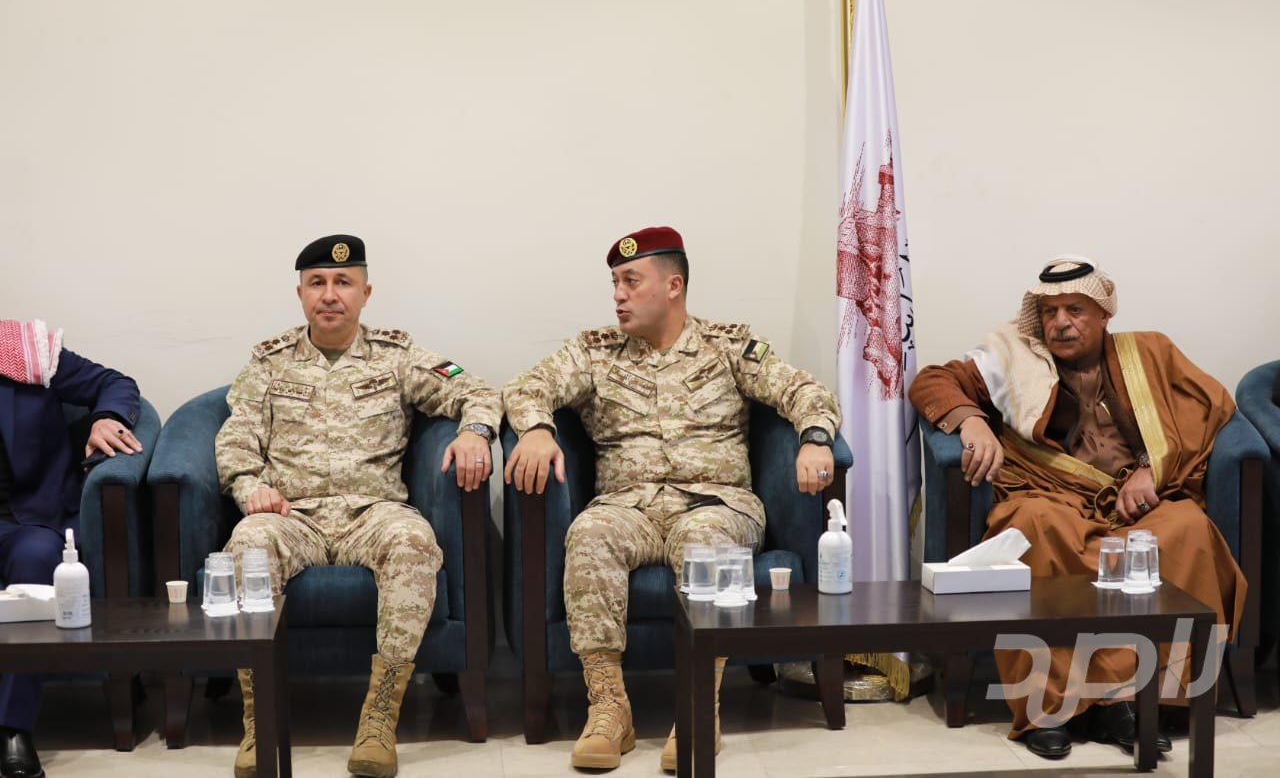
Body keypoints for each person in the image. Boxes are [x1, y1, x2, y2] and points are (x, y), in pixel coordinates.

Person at [502, 226, 840, 772]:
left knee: (703, 539)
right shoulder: (594, 353)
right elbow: (525, 387)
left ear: (673, 286)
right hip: (627, 507)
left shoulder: (728, 347)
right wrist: (538, 429)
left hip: (717, 504)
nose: (618, 295)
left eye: (631, 281)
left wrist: (815, 438)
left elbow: (804, 390)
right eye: (615, 283)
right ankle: (608, 708)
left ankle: (699, 704)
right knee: (589, 534)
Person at [908, 255, 1245, 760]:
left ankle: (1141, 703)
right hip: (1051, 495)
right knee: (1032, 526)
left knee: (1188, 529)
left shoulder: (1149, 352)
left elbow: (1210, 407)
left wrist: (1152, 470)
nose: (1061, 323)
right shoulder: (1015, 357)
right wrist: (971, 421)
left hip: (1138, 503)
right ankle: (1051, 709)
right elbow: (932, 381)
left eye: (1075, 310)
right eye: (1050, 312)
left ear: (1104, 313)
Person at [214, 235, 501, 778]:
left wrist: (475, 433)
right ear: (300, 293)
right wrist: (250, 486)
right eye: (317, 283)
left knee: (414, 542)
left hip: (374, 512)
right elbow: (235, 439)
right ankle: (260, 720)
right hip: (292, 514)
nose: (330, 294)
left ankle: (380, 718)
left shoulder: (398, 357)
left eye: (343, 283)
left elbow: (476, 390)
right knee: (248, 545)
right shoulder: (268, 363)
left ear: (365, 293)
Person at [1, 318, 142, 778]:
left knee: (38, 559)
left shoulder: (21, 349)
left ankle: (12, 729)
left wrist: (106, 418)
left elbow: (115, 383)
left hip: (27, 520)